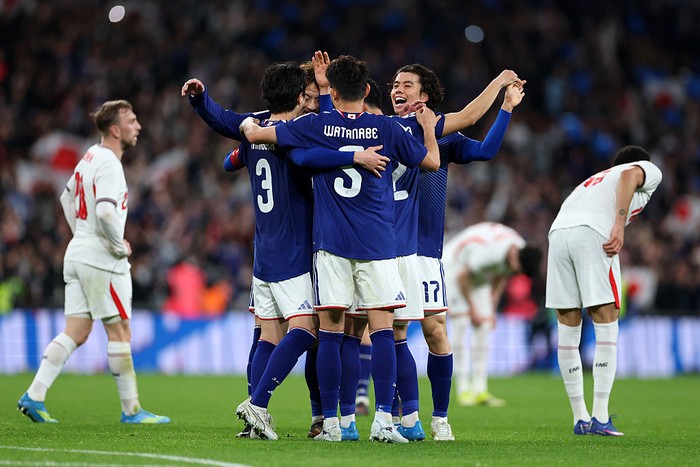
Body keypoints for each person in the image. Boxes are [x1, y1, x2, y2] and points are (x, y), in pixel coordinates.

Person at [240, 54, 440, 443]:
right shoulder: (386, 127)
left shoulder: (314, 124)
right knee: (382, 332)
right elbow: (431, 161)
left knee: (331, 334)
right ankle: (383, 421)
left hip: (329, 247)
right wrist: (429, 128)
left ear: (331, 90)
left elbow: (258, 136)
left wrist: (248, 120)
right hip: (377, 244)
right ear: (367, 90)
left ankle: (333, 423)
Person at [185, 63, 387, 440]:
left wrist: (200, 100)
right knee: (308, 331)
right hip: (297, 246)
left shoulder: (253, 125)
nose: (312, 103)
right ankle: (259, 405)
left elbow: (223, 122)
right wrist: (353, 154)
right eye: (308, 96)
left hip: (264, 247)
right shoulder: (295, 133)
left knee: (267, 333)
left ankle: (257, 418)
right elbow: (319, 148)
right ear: (298, 97)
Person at [387, 63, 523, 441]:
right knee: (396, 330)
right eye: (395, 84)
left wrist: (507, 107)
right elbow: (469, 116)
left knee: (435, 332)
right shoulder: (383, 129)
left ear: (424, 96)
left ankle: (441, 418)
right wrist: (498, 81)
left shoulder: (440, 135)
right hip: (390, 248)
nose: (397, 89)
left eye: (407, 85)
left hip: (428, 250)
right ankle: (402, 414)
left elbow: (485, 151)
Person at [17, 100, 170, 424]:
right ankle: (132, 411)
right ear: (115, 130)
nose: (138, 126)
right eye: (131, 120)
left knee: (77, 330)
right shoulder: (110, 163)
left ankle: (34, 395)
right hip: (101, 259)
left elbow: (65, 197)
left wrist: (82, 235)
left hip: (77, 252)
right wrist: (118, 245)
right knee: (120, 331)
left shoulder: (88, 157)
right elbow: (103, 210)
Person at [546, 145, 662, 436]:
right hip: (593, 234)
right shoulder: (642, 169)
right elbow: (629, 177)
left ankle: (580, 418)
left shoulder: (591, 181)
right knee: (606, 320)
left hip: (558, 234)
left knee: (568, 325)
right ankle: (599, 416)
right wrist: (619, 225)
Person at [443, 222, 541, 407]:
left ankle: (480, 390)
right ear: (514, 256)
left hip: (477, 275)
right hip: (454, 268)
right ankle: (463, 390)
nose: (515, 272)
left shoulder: (518, 250)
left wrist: (491, 307)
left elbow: (502, 272)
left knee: (485, 325)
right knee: (462, 324)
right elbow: (463, 276)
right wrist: (474, 310)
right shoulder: (487, 254)